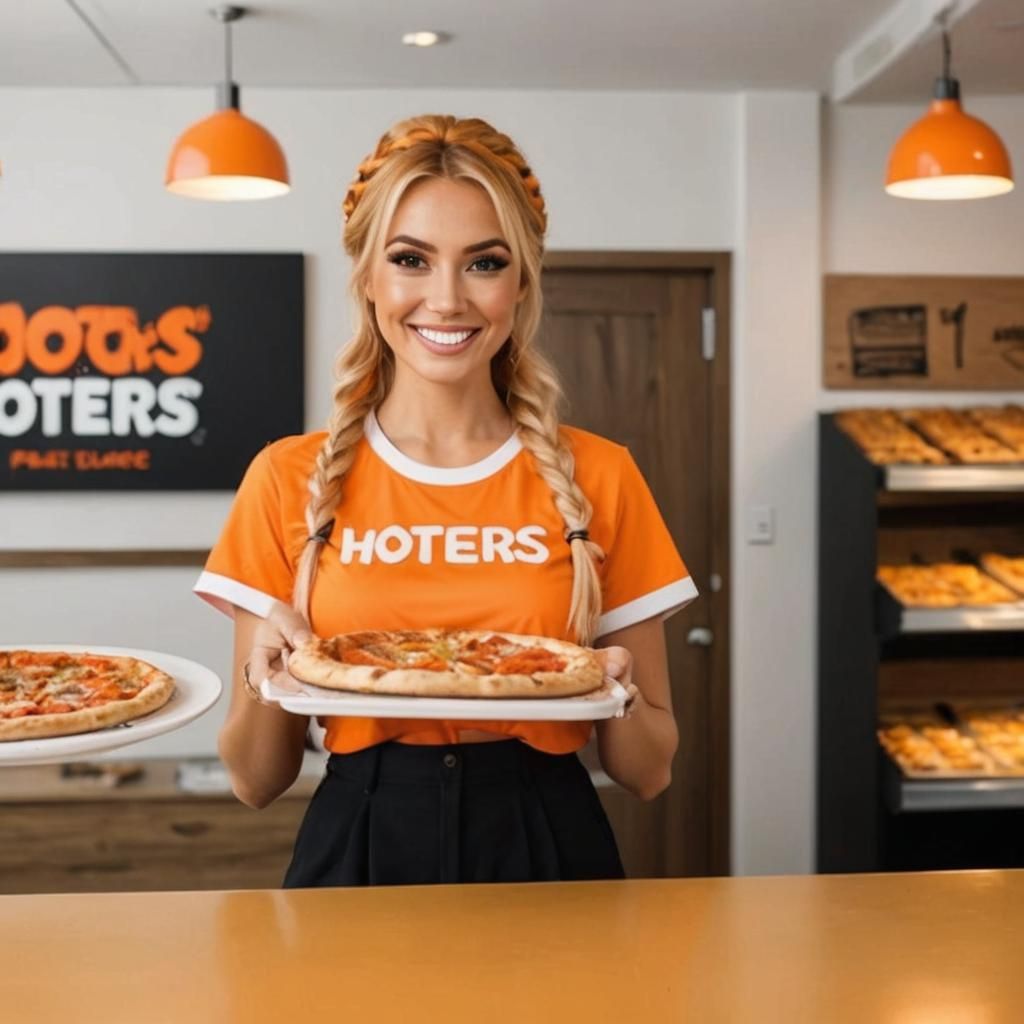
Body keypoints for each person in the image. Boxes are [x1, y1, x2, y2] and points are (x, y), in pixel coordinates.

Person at [194, 114, 698, 887]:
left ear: (521, 280)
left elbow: (649, 773)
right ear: (368, 276)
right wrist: (270, 679)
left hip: (547, 836)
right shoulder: (286, 476)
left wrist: (614, 690)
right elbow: (255, 782)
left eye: (484, 263)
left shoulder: (601, 474)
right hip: (360, 835)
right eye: (411, 260)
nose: (448, 298)